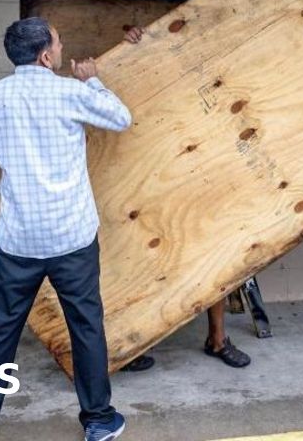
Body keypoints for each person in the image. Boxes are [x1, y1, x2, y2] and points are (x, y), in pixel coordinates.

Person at [0, 17, 130, 441]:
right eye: (59, 44)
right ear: (46, 55)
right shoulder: (71, 91)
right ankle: (99, 421)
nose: (62, 50)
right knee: (85, 326)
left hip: (19, 238)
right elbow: (121, 118)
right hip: (72, 236)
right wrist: (94, 82)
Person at [117, 26, 250, 372]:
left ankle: (218, 340)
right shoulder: (163, 77)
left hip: (206, 180)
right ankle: (133, 341)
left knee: (215, 264)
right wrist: (135, 46)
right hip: (157, 179)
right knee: (147, 261)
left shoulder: (220, 80)